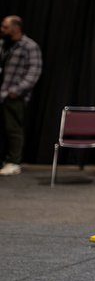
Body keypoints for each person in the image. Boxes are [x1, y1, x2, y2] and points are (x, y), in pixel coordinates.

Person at [1, 16, 43, 176]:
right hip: (2, 92)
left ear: (16, 27)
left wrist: (16, 91)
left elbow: (34, 71)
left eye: (5, 27)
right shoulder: (5, 45)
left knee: (13, 129)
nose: (2, 30)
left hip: (13, 95)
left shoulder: (29, 46)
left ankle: (14, 162)